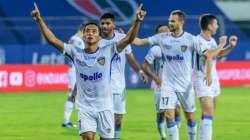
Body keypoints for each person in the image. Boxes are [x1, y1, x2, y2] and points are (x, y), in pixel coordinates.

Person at [31, 3, 146, 140]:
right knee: (87, 137)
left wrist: (137, 21)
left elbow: (129, 39)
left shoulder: (108, 51)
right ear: (83, 36)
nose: (90, 33)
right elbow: (52, 40)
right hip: (85, 108)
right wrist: (39, 20)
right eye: (87, 31)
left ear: (99, 37)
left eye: (94, 31)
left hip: (105, 107)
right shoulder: (75, 52)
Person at [134, 10, 212, 140]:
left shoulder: (191, 39)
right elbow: (138, 42)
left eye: (173, 21)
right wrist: (136, 23)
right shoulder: (162, 37)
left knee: (190, 117)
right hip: (167, 86)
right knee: (169, 115)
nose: (170, 23)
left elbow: (208, 55)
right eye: (169, 20)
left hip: (185, 85)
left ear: (181, 22)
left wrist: (208, 74)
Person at [98, 13, 148, 139]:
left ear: (113, 25)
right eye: (102, 23)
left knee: (118, 119)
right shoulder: (95, 41)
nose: (104, 26)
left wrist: (140, 71)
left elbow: (130, 58)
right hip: (101, 88)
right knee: (104, 120)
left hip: (118, 86)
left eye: (107, 23)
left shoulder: (122, 38)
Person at [193, 14, 238, 140]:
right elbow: (208, 55)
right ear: (209, 26)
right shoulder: (198, 41)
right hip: (203, 78)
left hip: (213, 78)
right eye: (215, 24)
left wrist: (230, 46)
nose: (217, 26)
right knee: (208, 112)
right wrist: (221, 44)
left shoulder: (211, 40)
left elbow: (219, 54)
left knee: (208, 114)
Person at [143, 24, 180, 140]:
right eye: (161, 32)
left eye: (166, 31)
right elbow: (145, 65)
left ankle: (175, 135)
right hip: (162, 87)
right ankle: (163, 136)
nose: (164, 34)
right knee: (161, 115)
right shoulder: (156, 49)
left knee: (177, 111)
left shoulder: (179, 47)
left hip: (177, 86)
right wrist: (154, 77)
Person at [62, 24, 85, 128]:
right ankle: (67, 121)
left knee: (74, 95)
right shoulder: (79, 41)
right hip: (75, 70)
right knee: (74, 95)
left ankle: (68, 121)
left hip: (73, 70)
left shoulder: (72, 38)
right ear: (83, 31)